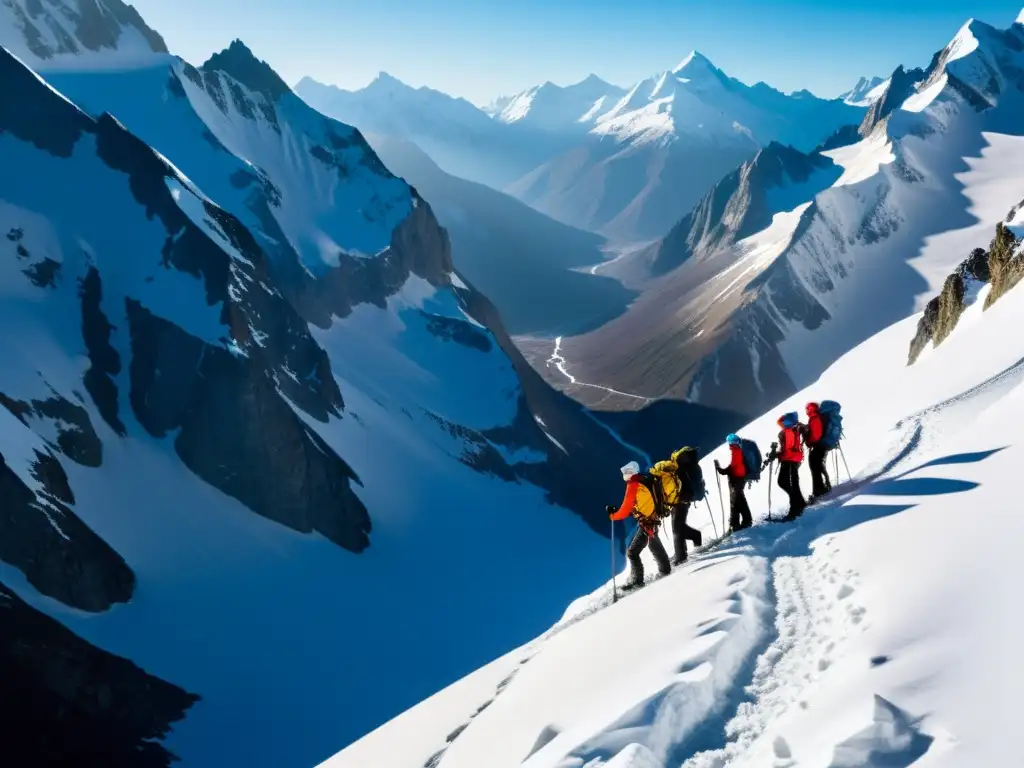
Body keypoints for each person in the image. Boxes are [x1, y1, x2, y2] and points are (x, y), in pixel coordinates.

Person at [607, 461, 671, 590]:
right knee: (653, 544)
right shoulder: (645, 479)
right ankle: (665, 570)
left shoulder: (633, 485)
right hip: (653, 518)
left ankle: (638, 580)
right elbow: (643, 501)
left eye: (627, 472)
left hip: (647, 522)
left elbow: (625, 508)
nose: (625, 474)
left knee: (632, 552)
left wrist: (613, 515)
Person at [660, 448, 703, 566]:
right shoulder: (691, 467)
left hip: (680, 501)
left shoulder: (680, 469)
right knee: (678, 527)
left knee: (677, 528)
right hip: (682, 500)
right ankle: (681, 552)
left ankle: (682, 555)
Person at [766, 412, 806, 520]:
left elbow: (787, 449)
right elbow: (779, 421)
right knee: (793, 483)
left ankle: (795, 509)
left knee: (783, 482)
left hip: (789, 459)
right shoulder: (795, 428)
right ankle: (800, 504)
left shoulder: (788, 431)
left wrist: (777, 454)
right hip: (794, 458)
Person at [714, 434, 752, 532]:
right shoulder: (738, 450)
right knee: (740, 500)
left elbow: (732, 466)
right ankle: (746, 520)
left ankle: (735, 524)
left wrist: (721, 470)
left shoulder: (736, 451)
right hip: (739, 479)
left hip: (736, 480)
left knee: (735, 502)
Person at [803, 402, 832, 502]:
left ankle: (819, 491)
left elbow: (816, 435)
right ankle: (821, 488)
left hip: (818, 446)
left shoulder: (815, 418)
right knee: (818, 467)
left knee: (815, 468)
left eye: (807, 409)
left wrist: (809, 441)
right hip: (820, 446)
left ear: (811, 409)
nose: (806, 411)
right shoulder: (816, 417)